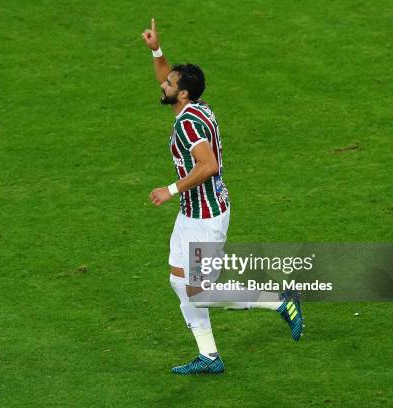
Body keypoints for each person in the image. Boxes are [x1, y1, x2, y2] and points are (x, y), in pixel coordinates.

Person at [142, 18, 304, 375]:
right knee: (178, 280)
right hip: (192, 214)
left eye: (170, 83)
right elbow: (165, 75)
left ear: (182, 93)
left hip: (206, 217)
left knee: (201, 291)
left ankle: (279, 301)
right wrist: (156, 49)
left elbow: (209, 165)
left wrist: (169, 190)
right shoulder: (196, 106)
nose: (164, 82)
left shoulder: (187, 123)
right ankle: (209, 356)